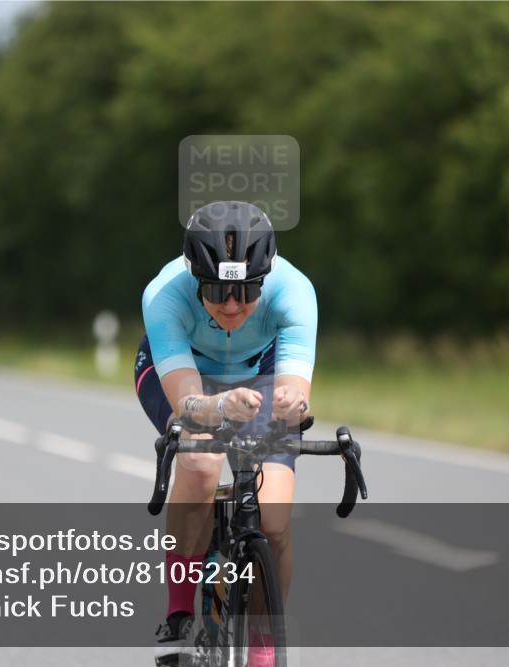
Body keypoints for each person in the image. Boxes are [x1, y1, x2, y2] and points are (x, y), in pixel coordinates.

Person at [135, 201, 316, 667]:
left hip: (260, 371)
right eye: (216, 290)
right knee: (199, 459)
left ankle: (260, 645)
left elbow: (294, 386)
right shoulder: (165, 296)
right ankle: (178, 615)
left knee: (273, 523)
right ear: (195, 277)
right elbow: (189, 404)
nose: (232, 305)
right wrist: (217, 408)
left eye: (246, 290)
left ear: (266, 277)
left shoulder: (295, 292)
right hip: (182, 374)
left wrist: (293, 403)